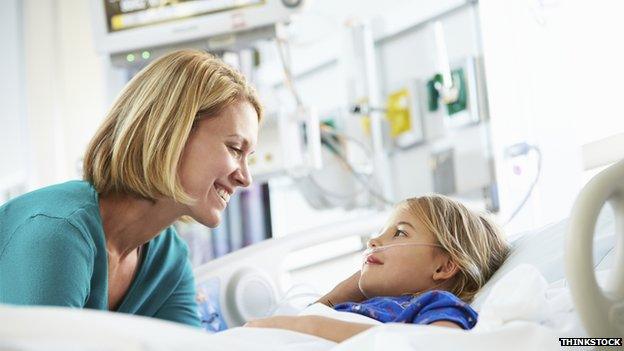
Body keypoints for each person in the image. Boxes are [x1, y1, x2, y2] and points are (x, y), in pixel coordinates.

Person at [0, 50, 262, 327]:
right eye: (235, 149)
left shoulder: (168, 260)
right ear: (171, 132)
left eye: (249, 157)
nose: (246, 178)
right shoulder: (58, 234)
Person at [245, 194, 510, 342]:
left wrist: (314, 327)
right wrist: (355, 287)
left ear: (444, 266)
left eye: (400, 234)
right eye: (380, 232)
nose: (374, 240)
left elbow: (434, 346)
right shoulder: (369, 306)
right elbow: (311, 314)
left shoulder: (437, 305)